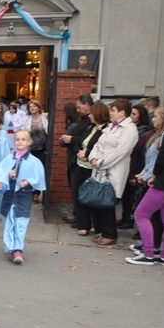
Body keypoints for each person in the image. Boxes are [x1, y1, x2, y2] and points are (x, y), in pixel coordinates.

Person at [88, 99, 138, 245]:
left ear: (122, 113)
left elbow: (122, 151)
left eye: (113, 110)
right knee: (97, 201)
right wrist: (93, 158)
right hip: (99, 169)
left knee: (108, 202)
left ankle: (110, 234)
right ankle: (101, 231)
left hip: (114, 170)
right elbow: (98, 144)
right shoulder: (110, 127)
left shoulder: (130, 129)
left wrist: (102, 163)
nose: (110, 113)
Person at [128, 105, 164, 264]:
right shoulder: (161, 135)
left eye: (156, 116)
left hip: (162, 183)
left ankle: (148, 253)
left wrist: (152, 176)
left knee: (141, 214)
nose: (153, 119)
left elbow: (161, 160)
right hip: (163, 182)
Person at [0, 130, 47, 264]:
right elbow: (0, 175)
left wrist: (28, 181)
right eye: (17, 139)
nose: (20, 142)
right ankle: (10, 246)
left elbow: (38, 178)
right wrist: (8, 174)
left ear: (29, 142)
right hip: (9, 195)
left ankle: (17, 249)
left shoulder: (34, 161)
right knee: (8, 221)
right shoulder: (8, 160)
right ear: (14, 142)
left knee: (21, 222)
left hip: (23, 195)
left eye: (23, 139)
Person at [74, 101, 110, 236]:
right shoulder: (90, 127)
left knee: (93, 197)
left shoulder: (106, 130)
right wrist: (80, 152)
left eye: (92, 114)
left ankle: (98, 227)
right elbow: (79, 141)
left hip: (93, 168)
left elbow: (103, 150)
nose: (89, 116)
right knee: (80, 195)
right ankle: (84, 225)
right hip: (80, 164)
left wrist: (87, 154)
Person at [60, 94, 95, 224]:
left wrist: (72, 139)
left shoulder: (89, 121)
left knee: (79, 191)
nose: (78, 110)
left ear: (87, 105)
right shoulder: (84, 120)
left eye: (79, 107)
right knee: (76, 190)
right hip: (76, 160)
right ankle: (80, 218)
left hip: (82, 161)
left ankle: (82, 220)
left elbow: (85, 139)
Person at [22, 101, 48, 203]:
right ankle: (31, 192)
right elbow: (24, 133)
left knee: (40, 171)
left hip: (42, 149)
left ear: (38, 107)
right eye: (30, 107)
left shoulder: (45, 117)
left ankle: (37, 193)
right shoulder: (27, 119)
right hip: (31, 149)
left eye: (34, 106)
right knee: (30, 171)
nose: (32, 108)